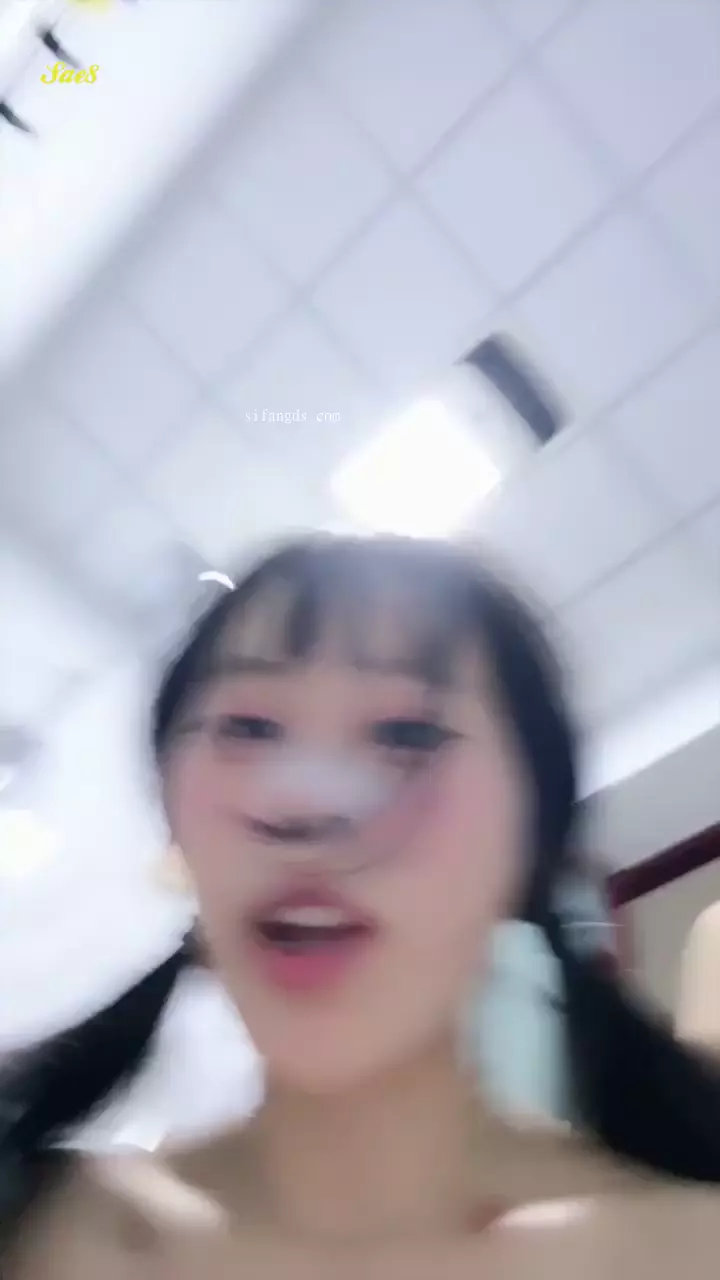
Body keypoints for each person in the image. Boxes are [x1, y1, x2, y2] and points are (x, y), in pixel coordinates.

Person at [3, 533, 720, 1278]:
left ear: (528, 839)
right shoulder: (42, 1229)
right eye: (248, 728)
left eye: (407, 735)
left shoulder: (685, 1250)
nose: (305, 803)